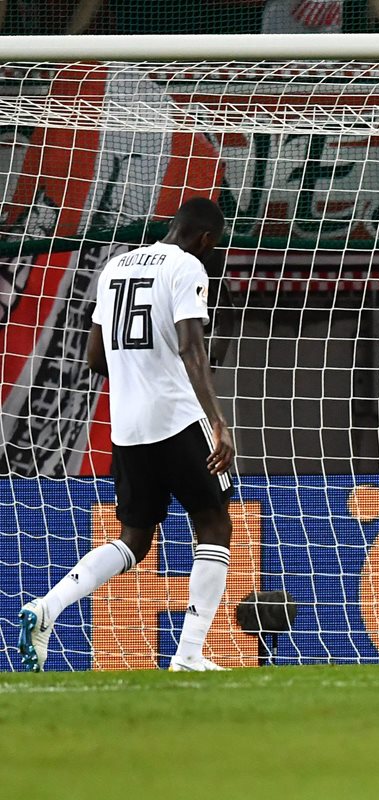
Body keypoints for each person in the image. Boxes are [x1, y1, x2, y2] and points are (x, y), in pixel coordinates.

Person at [17, 197, 237, 673]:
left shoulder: (115, 267)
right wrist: (217, 419)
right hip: (178, 420)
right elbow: (191, 348)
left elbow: (95, 358)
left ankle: (46, 609)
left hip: (128, 427)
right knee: (214, 524)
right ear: (205, 239)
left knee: (135, 539)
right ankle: (189, 655)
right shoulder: (187, 267)